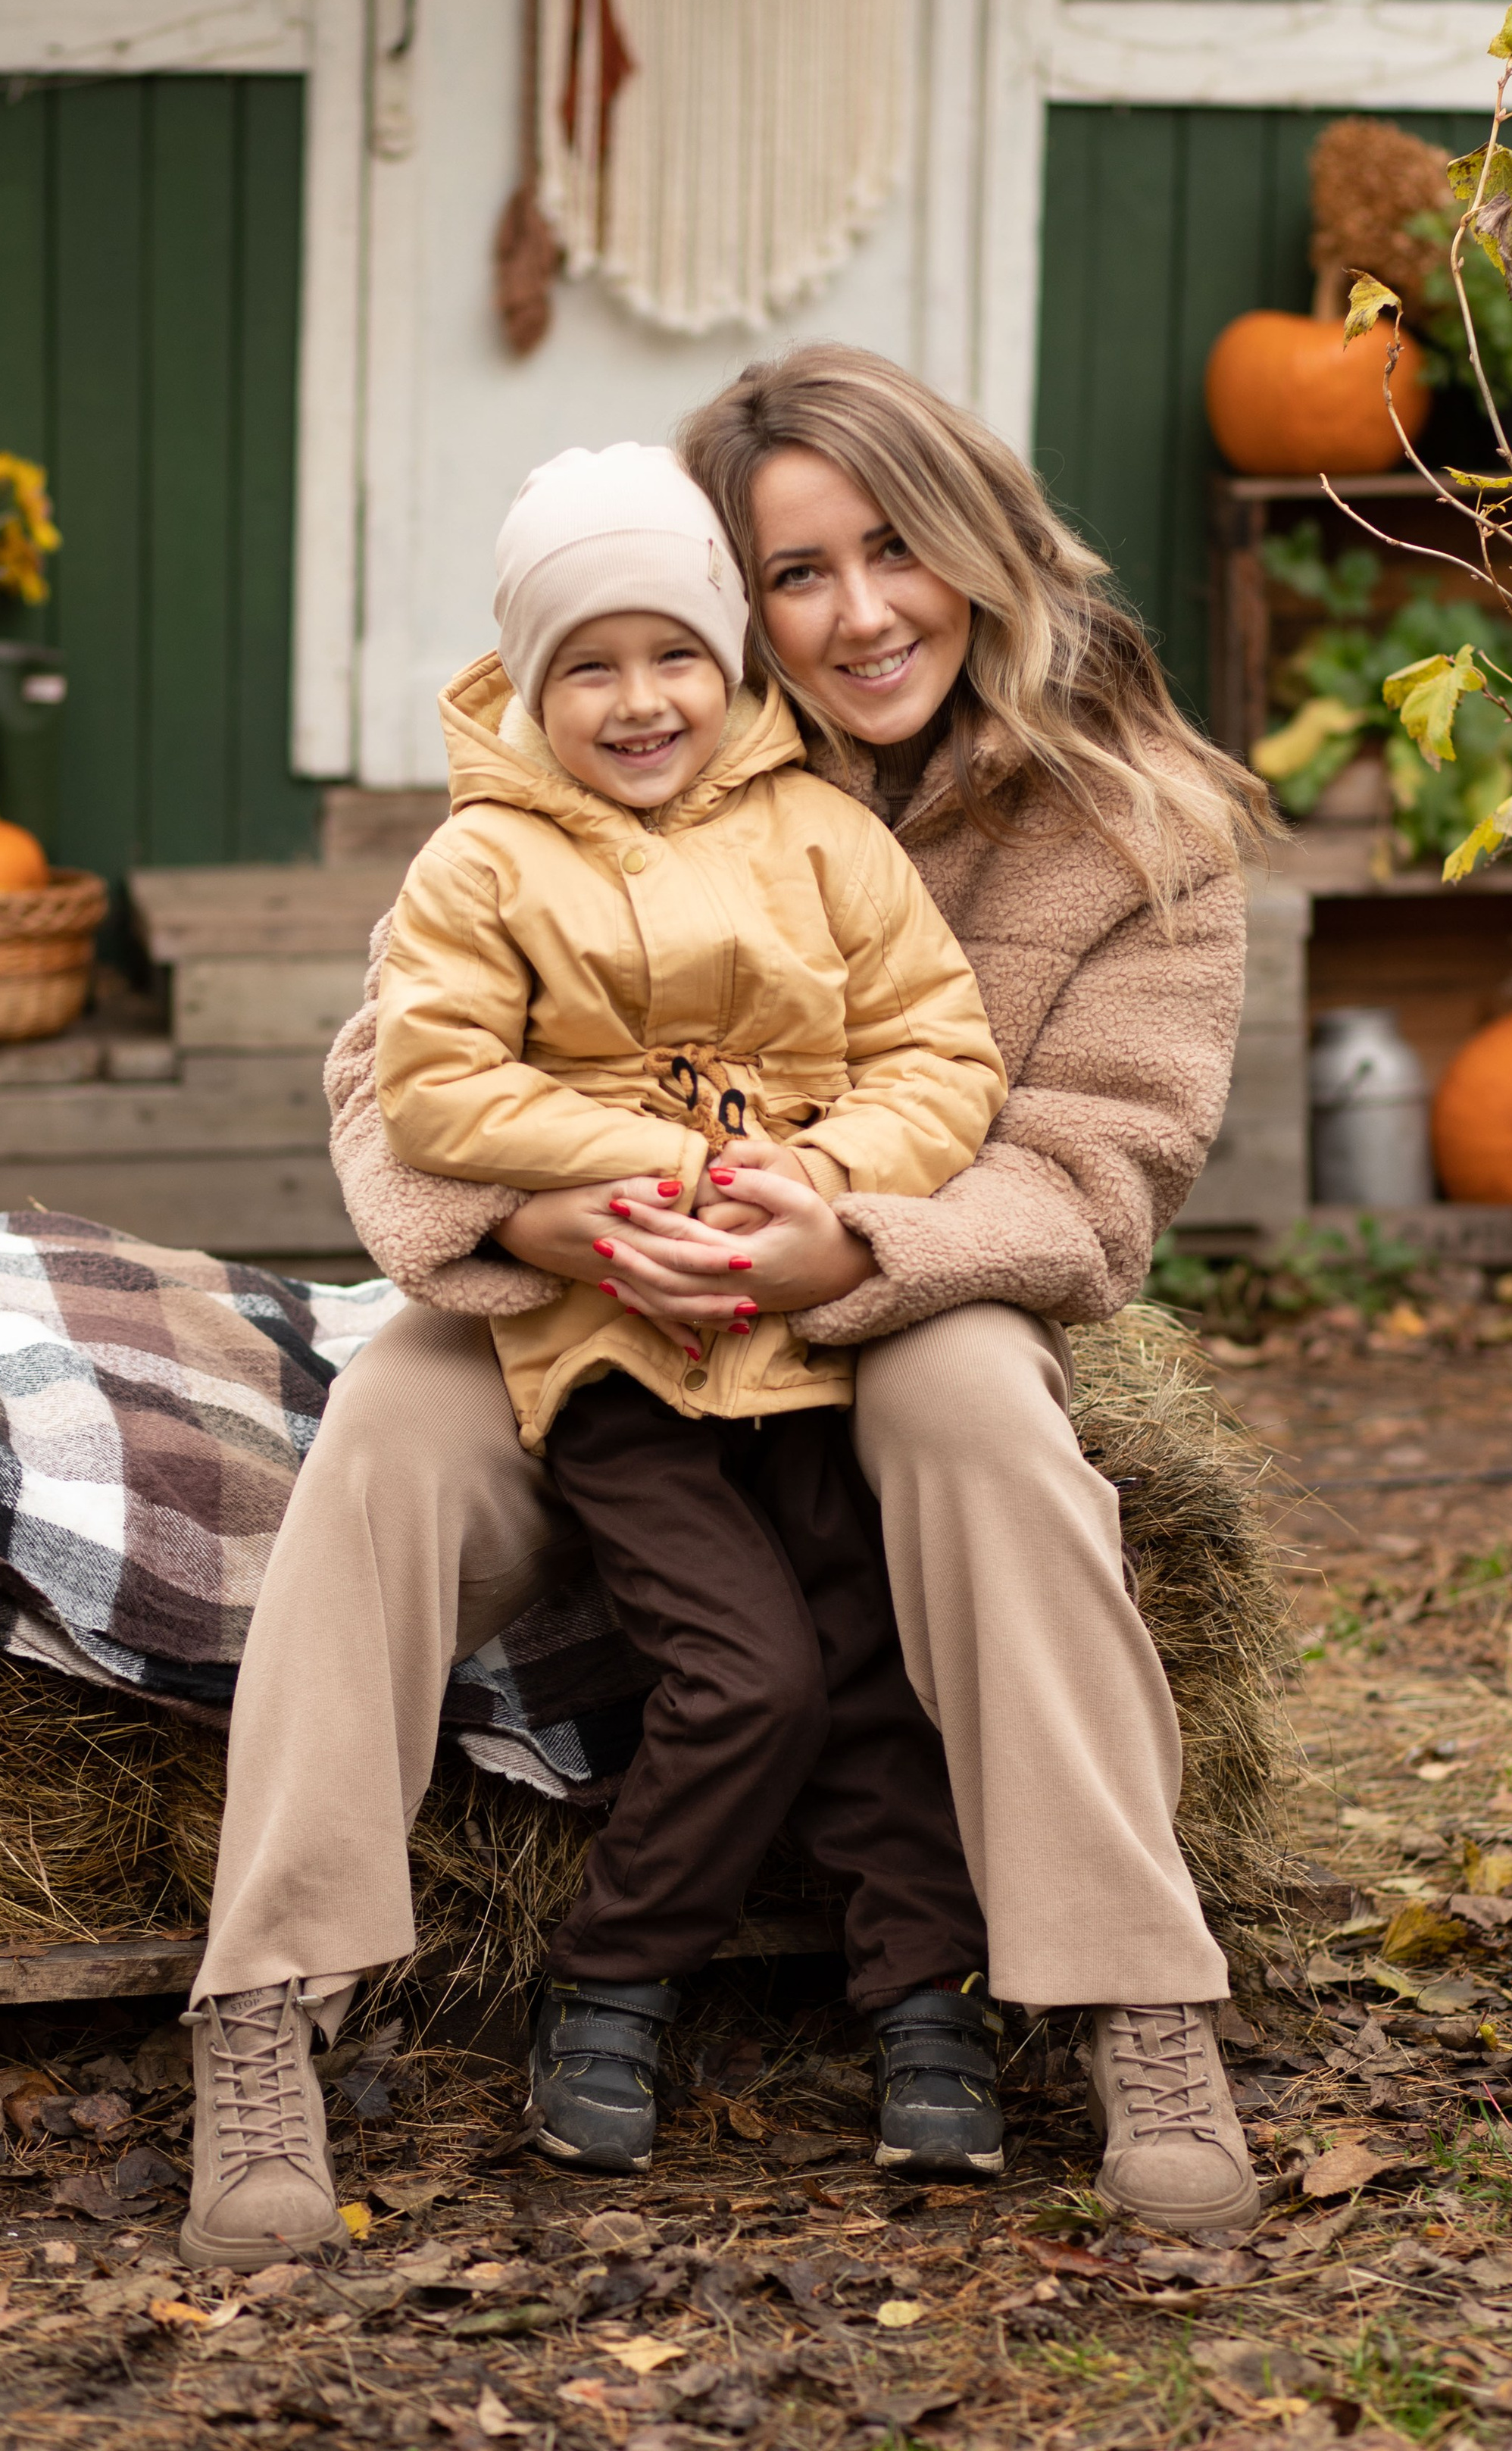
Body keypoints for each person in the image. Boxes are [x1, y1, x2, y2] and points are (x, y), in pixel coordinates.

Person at [184, 345, 1267, 2267]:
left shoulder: (1139, 833)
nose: (855, 614)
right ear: (721, 596)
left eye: (895, 550)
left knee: (981, 1421)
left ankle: (1137, 2004)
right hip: (606, 1288)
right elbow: (388, 1085)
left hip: (902, 1280)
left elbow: (1098, 1162)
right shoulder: (604, 767)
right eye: (792, 573)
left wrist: (848, 1240)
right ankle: (265, 1996)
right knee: (391, 1428)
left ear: (985, 552)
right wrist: (559, 1218)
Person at [367, 444, 1007, 2188]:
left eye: (674, 654)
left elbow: (940, 1050)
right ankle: (612, 1979)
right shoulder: (480, 866)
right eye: (589, 663)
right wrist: (657, 1162)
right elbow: (437, 1089)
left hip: (802, 1332)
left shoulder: (825, 838)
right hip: (621, 1353)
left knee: (874, 1672)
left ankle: (923, 2005)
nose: (639, 700)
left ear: (728, 660)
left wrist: (831, 1179)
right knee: (750, 1673)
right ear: (526, 677)